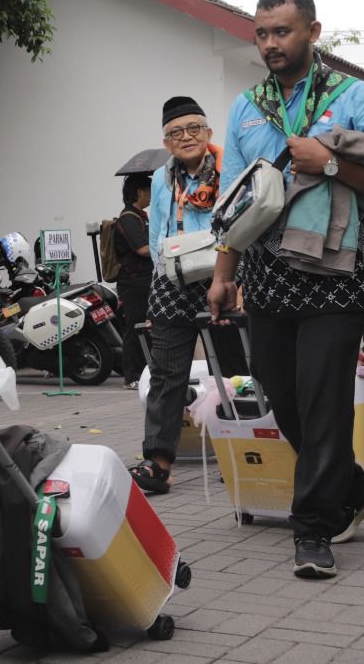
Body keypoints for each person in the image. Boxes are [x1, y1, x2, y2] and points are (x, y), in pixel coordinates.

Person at [208, 0, 364, 580]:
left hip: (335, 273)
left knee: (323, 402)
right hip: (267, 277)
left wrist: (328, 162)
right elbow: (234, 201)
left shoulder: (354, 96)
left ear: (313, 32)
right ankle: (355, 486)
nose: (271, 43)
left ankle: (314, 529)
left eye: (283, 31)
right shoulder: (247, 107)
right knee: (282, 396)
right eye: (262, 33)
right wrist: (223, 274)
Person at [128, 97, 218, 495]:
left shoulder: (229, 171)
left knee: (236, 370)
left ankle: (244, 450)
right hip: (173, 279)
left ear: (208, 133)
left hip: (220, 274)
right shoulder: (160, 181)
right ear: (166, 143)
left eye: (194, 128)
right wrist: (158, 288)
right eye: (176, 132)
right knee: (165, 374)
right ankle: (158, 463)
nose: (186, 137)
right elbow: (155, 237)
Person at [114, 173, 153, 388]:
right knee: (135, 328)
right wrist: (165, 246)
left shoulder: (140, 216)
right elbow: (142, 249)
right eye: (149, 190)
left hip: (144, 280)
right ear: (139, 192)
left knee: (146, 328)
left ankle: (146, 373)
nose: (151, 195)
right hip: (133, 282)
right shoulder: (128, 218)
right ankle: (132, 377)